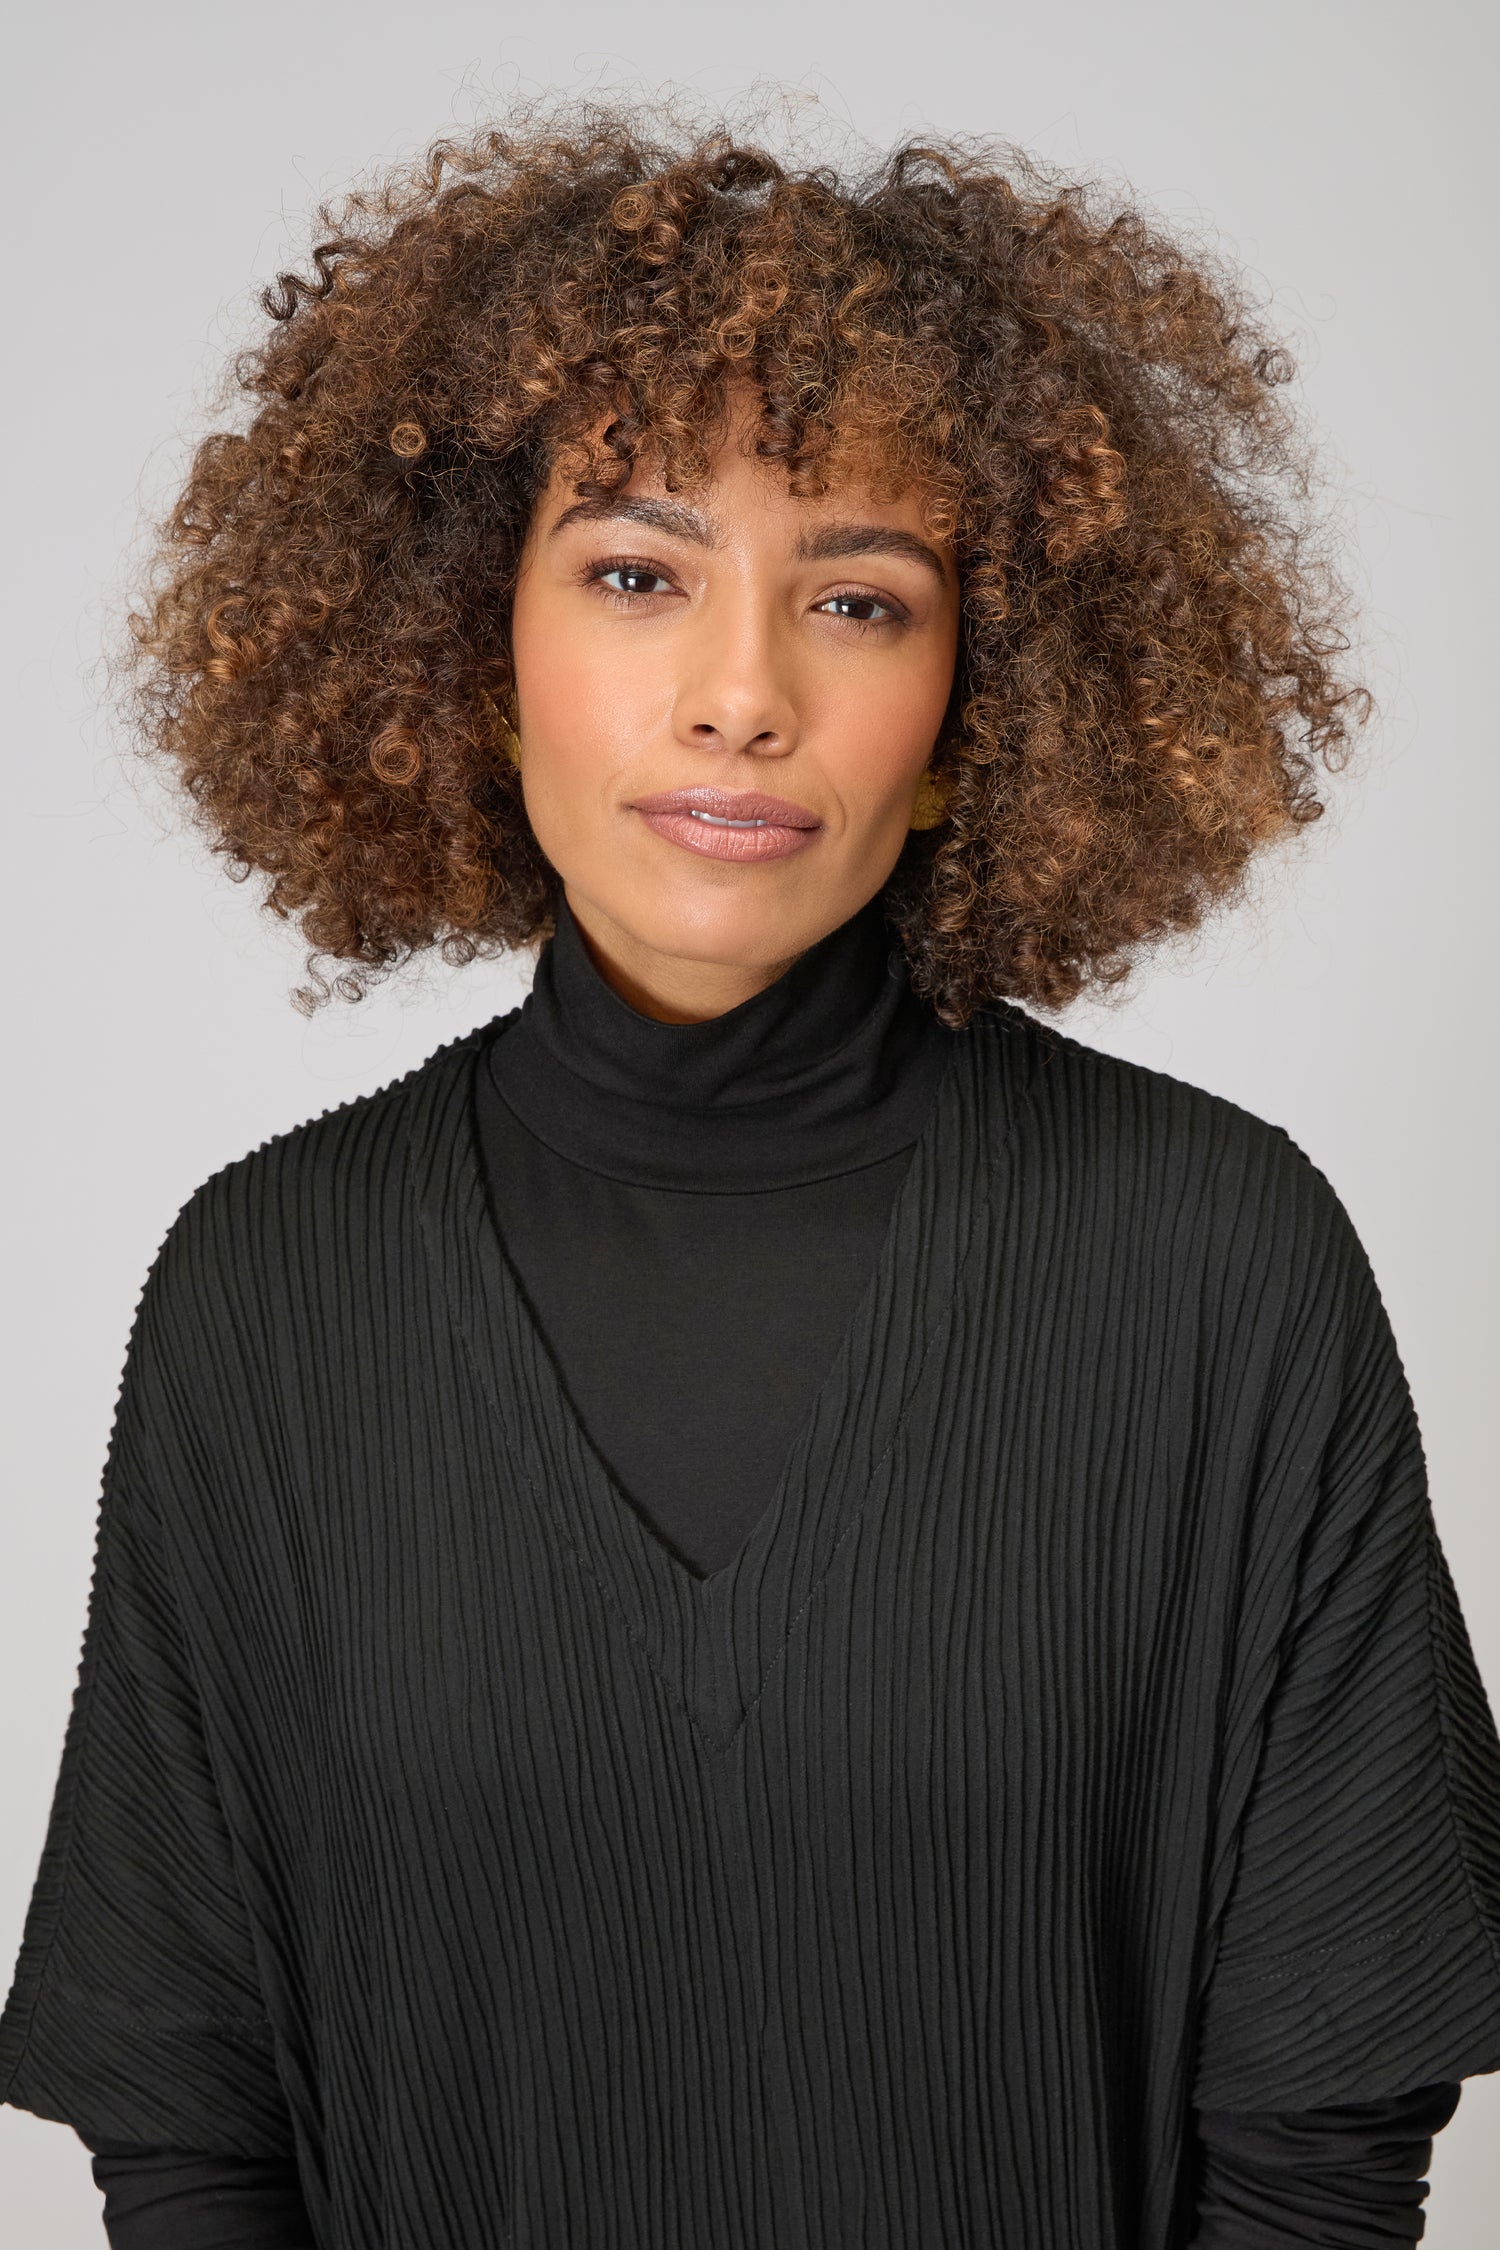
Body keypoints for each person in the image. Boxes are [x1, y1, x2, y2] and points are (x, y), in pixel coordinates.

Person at [2, 103, 1497, 2250]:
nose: (739, 696)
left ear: (979, 693)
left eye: (861, 603)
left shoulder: (1216, 1267)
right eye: (634, 573)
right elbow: (191, 2125)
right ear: (472, 652)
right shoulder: (274, 1290)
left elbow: (1325, 2144)